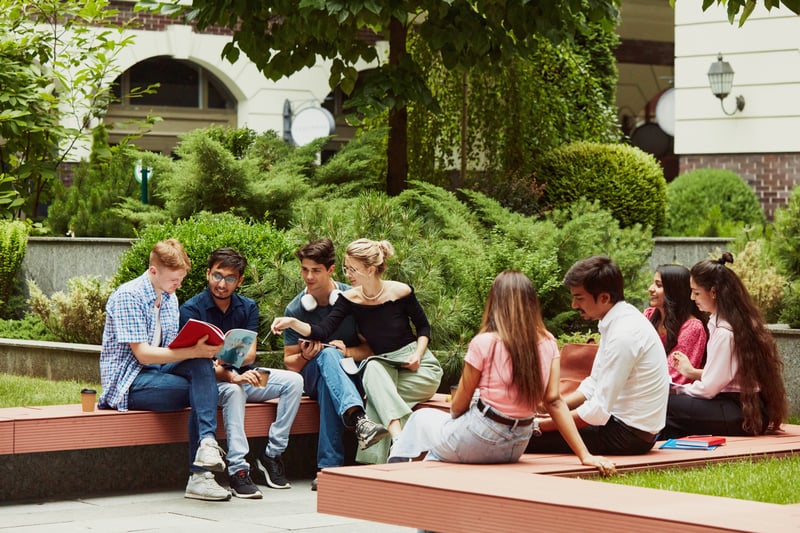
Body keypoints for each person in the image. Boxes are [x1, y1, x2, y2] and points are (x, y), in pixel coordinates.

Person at [387, 271, 616, 476]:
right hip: (518, 444)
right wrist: (585, 455)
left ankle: (393, 473)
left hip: (481, 436)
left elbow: (458, 406)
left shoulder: (485, 342)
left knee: (421, 421)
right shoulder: (547, 341)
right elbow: (554, 401)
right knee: (436, 444)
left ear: (495, 302)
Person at [271, 238, 443, 464]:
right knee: (365, 367)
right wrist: (293, 323)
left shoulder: (400, 291)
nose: (348, 274)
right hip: (379, 368)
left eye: (353, 269)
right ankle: (392, 437)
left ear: (370, 269)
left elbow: (423, 327)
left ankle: (374, 445)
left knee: (376, 395)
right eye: (346, 268)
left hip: (410, 366)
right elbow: (321, 330)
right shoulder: (348, 300)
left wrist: (417, 355)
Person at [98, 239, 231, 501]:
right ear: (153, 271)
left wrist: (201, 351)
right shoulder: (129, 296)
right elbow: (143, 355)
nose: (178, 285)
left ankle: (207, 445)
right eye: (174, 279)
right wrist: (192, 351)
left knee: (201, 365)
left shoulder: (169, 296)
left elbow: (170, 348)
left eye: (181, 279)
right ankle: (199, 475)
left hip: (159, 372)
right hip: (128, 382)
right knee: (200, 388)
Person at [180, 248, 304, 498]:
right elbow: (197, 364)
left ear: (240, 280)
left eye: (230, 278)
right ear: (208, 274)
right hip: (213, 384)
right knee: (235, 391)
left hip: (245, 375)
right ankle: (238, 469)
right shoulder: (191, 310)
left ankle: (272, 454)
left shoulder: (247, 307)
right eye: (217, 275)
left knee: (294, 381)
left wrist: (226, 359)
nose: (222, 284)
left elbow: (249, 355)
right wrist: (231, 370)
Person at [525, 255, 670, 455]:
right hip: (622, 427)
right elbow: (593, 384)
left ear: (604, 298)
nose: (574, 305)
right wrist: (553, 408)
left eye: (579, 298)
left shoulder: (624, 333)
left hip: (627, 435)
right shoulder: (617, 321)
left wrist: (538, 425)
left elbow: (596, 412)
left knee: (520, 436)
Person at [282, 238, 389, 490]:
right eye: (304, 270)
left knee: (329, 381)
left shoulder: (353, 299)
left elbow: (373, 348)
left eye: (316, 270)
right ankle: (359, 419)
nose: (309, 277)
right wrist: (307, 356)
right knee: (327, 356)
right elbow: (290, 363)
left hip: (351, 375)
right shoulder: (295, 309)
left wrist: (347, 351)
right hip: (311, 373)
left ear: (331, 270)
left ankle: (329, 469)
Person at [663, 252, 788, 438]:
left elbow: (708, 389)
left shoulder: (724, 331)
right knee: (670, 414)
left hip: (739, 414)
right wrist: (691, 373)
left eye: (696, 292)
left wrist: (676, 389)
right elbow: (727, 376)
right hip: (747, 410)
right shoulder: (730, 322)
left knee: (665, 404)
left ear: (713, 292)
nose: (691, 297)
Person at [644, 264, 708, 386]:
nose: (650, 289)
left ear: (674, 291)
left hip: (671, 392)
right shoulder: (648, 315)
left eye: (659, 285)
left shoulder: (692, 328)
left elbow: (674, 374)